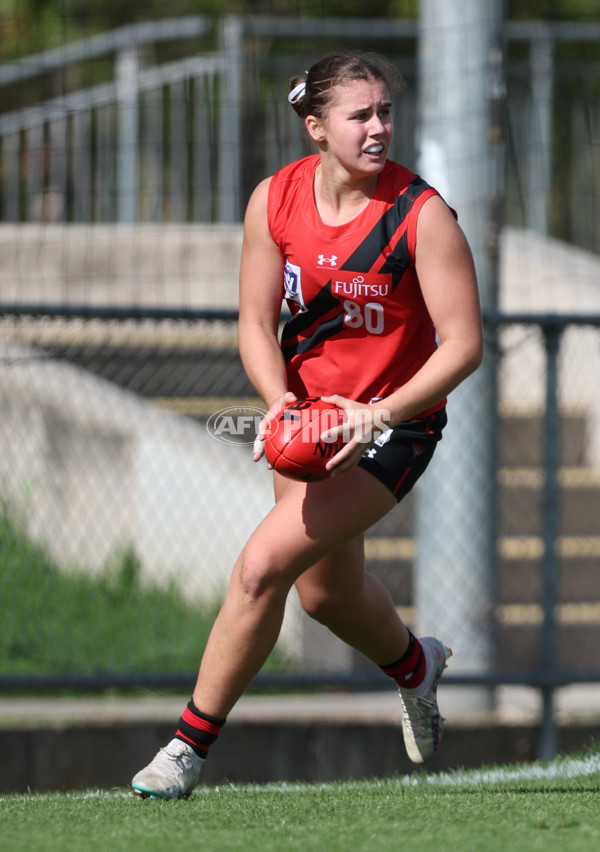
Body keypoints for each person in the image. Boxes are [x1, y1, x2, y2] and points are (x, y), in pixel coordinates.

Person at [131, 51, 483, 799]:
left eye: (386, 111)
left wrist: (378, 412)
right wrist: (279, 403)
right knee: (324, 597)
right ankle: (417, 667)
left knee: (262, 568)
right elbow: (256, 325)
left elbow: (465, 346)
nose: (379, 127)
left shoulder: (421, 217)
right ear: (316, 126)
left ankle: (186, 748)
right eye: (360, 115)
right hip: (311, 420)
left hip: (394, 426)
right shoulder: (275, 199)